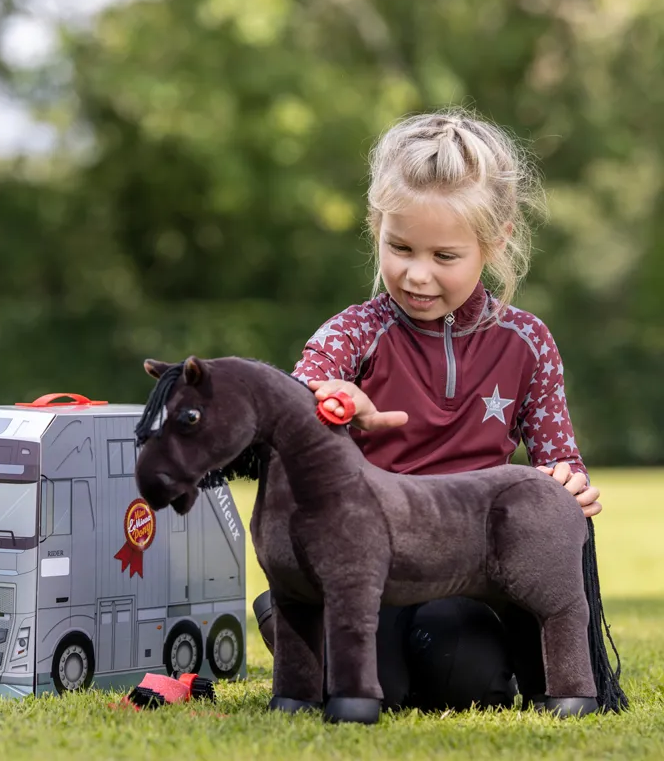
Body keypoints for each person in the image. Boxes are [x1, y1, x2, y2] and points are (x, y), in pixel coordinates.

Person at [253, 110, 602, 712]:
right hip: (367, 566)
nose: (417, 275)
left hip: (470, 568)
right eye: (400, 247)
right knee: (371, 683)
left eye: (444, 255)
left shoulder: (528, 342)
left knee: (463, 675)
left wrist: (569, 484)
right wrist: (333, 404)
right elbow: (287, 413)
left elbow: (559, 462)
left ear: (494, 243)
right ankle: (292, 617)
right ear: (376, 227)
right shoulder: (353, 332)